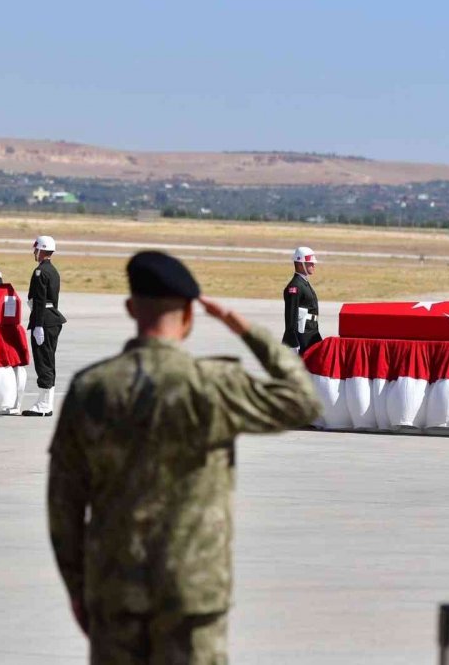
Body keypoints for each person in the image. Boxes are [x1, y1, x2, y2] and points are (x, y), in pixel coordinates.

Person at [48, 251, 322, 664]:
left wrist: (78, 587)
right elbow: (303, 400)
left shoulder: (93, 389)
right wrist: (244, 328)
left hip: (115, 589)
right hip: (193, 592)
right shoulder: (215, 384)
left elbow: (63, 505)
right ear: (190, 317)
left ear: (130, 309)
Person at [23, 235, 66, 416]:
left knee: (43, 362)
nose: (34, 252)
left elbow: (39, 300)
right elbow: (53, 300)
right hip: (52, 318)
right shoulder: (53, 271)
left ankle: (44, 405)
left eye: (36, 250)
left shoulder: (40, 272)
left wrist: (38, 324)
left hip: (44, 320)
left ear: (41, 250)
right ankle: (46, 403)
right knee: (48, 361)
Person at [282, 246, 322, 354]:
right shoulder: (295, 287)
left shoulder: (303, 283)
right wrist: (292, 341)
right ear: (300, 264)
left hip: (311, 333)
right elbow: (291, 316)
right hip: (302, 337)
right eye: (310, 263)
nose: (313, 265)